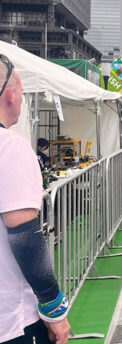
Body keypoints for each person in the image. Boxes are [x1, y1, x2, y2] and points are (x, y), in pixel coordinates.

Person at [0, 54, 70, 344]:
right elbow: (24, 236)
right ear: (11, 93)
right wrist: (54, 310)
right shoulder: (10, 147)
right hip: (11, 319)